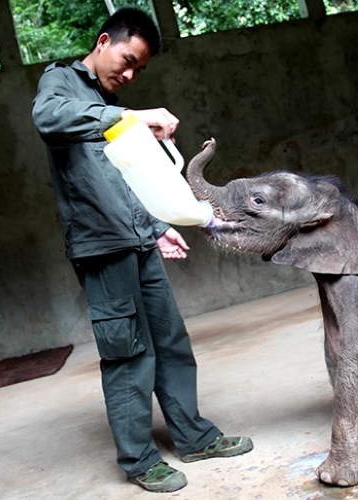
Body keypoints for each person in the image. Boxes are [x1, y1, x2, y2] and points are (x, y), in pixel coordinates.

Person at [31, 8, 252, 493]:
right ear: (103, 41)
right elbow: (47, 119)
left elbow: (123, 179)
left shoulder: (109, 103)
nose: (130, 75)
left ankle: (194, 437)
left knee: (170, 340)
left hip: (137, 239)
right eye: (127, 61)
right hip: (101, 247)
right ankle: (139, 460)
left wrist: (156, 228)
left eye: (140, 70)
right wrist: (130, 117)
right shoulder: (61, 82)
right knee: (127, 352)